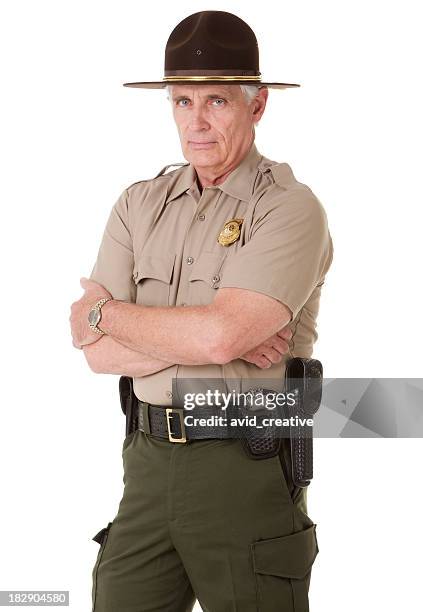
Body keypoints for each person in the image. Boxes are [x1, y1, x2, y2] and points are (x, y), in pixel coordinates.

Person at [70, 10, 333, 612]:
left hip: (247, 465)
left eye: (216, 100)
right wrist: (207, 332)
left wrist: (109, 314)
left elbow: (218, 337)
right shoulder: (140, 203)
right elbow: (95, 353)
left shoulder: (290, 209)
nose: (197, 122)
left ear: (257, 105)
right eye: (183, 101)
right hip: (146, 460)